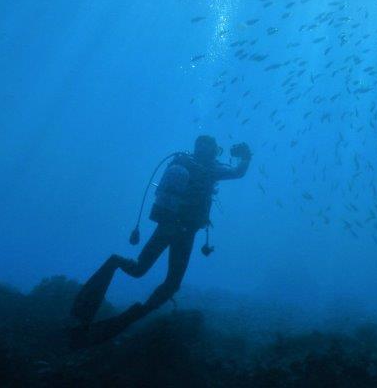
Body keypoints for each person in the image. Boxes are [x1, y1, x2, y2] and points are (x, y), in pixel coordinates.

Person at [70, 135, 252, 345]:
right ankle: (126, 320)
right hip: (185, 232)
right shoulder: (211, 168)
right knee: (172, 283)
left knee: (138, 269)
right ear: (213, 151)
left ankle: (109, 270)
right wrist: (246, 156)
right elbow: (238, 172)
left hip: (166, 226)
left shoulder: (183, 162)